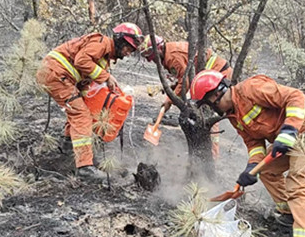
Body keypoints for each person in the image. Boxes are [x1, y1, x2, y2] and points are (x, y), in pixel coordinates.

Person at [189, 69, 305, 237]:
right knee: (267, 171)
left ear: (217, 93)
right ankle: (289, 216)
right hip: (287, 139)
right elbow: (254, 143)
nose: (212, 109)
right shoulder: (234, 116)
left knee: (299, 184)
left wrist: (289, 130)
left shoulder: (251, 88)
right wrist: (251, 168)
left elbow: (295, 96)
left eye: (209, 104)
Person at [35, 23, 143, 182]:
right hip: (56, 74)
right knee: (81, 114)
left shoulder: (104, 55)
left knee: (79, 107)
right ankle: (84, 167)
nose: (128, 53)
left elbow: (86, 75)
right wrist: (106, 77)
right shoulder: (101, 43)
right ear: (120, 40)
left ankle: (68, 146)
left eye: (132, 50)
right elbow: (81, 61)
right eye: (128, 48)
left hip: (59, 75)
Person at [138, 36, 231, 158]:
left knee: (207, 116)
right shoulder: (169, 53)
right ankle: (201, 152)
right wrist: (172, 89)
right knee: (200, 113)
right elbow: (183, 77)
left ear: (158, 49)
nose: (151, 60)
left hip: (216, 74)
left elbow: (185, 82)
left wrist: (169, 100)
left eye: (151, 56)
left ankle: (212, 157)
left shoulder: (172, 57)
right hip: (209, 75)